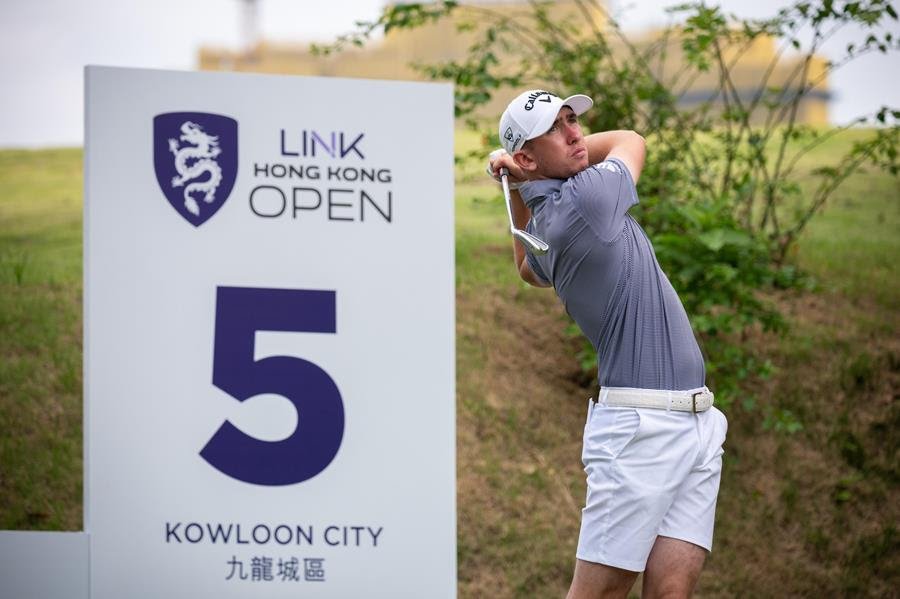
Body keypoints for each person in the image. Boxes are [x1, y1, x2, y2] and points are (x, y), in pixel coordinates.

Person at [488, 89, 729, 599]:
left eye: (573, 120)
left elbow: (527, 270)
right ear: (530, 156)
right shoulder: (587, 198)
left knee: (671, 591)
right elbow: (629, 139)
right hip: (641, 430)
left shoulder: (550, 221)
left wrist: (516, 178)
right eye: (556, 128)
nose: (575, 133)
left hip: (697, 422)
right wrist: (519, 170)